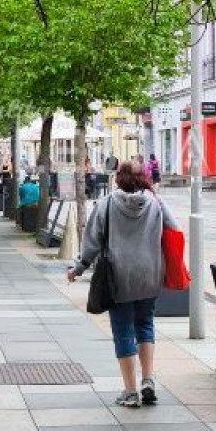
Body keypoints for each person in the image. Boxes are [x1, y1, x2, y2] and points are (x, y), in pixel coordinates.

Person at [67, 161, 180, 408]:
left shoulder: (106, 204)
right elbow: (175, 229)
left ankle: (130, 392)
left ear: (118, 179)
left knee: (123, 331)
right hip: (150, 273)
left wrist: (79, 267)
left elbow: (92, 241)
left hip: (118, 277)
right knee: (145, 324)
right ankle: (148, 380)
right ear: (143, 179)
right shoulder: (155, 201)